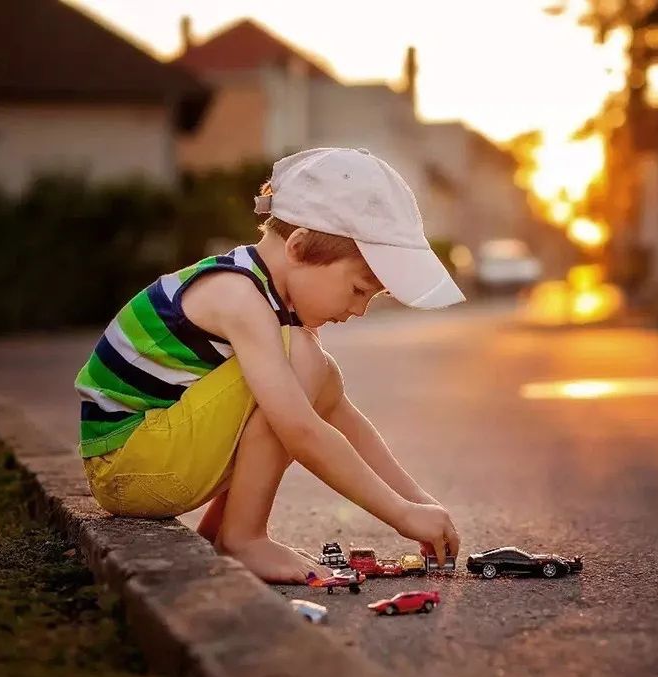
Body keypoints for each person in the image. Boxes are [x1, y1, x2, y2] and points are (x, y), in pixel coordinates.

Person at [74, 147, 464, 583]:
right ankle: (243, 539)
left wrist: (419, 502)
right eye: (358, 289)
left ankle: (229, 531)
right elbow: (299, 431)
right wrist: (400, 515)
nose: (359, 310)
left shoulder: (269, 301)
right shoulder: (237, 295)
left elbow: (340, 416)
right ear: (298, 248)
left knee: (317, 373)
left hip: (152, 459)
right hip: (131, 466)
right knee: (304, 362)